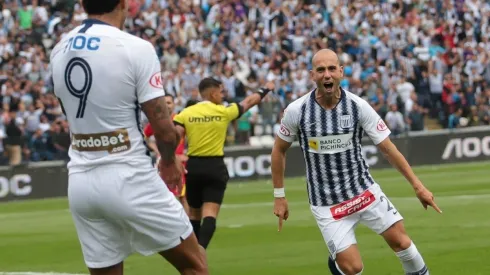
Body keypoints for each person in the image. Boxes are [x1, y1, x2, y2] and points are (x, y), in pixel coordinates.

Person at [49, 1, 208, 274]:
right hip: (128, 174)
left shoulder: (59, 48)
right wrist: (169, 162)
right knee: (195, 266)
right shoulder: (135, 48)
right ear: (123, 3)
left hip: (81, 182)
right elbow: (163, 128)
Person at [271, 49, 441, 275]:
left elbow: (388, 149)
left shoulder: (358, 106)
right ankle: (339, 265)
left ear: (341, 71)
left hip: (363, 191)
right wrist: (279, 196)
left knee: (404, 244)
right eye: (321, 70)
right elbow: (278, 149)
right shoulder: (297, 111)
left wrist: (418, 187)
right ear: (312, 75)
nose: (327, 75)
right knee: (353, 269)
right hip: (327, 203)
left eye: (332, 68)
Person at [173, 77, 274, 250]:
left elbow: (174, 137)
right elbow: (249, 102)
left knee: (194, 214)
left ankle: (194, 254)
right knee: (210, 215)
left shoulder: (186, 113)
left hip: (194, 166)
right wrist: (265, 89)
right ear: (212, 93)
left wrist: (174, 158)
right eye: (220, 92)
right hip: (215, 166)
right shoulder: (223, 111)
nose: (222, 95)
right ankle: (201, 250)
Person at [144, 94, 190, 214]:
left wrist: (187, 153)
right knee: (163, 198)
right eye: (164, 103)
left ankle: (189, 228)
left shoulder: (180, 119)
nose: (167, 106)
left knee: (183, 197)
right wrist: (157, 151)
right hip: (162, 163)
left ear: (174, 104)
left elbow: (193, 137)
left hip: (180, 163)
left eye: (169, 103)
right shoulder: (156, 122)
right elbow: (145, 137)